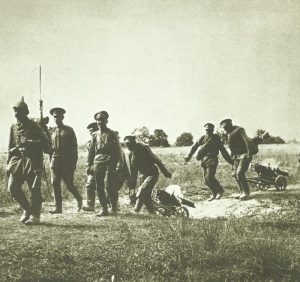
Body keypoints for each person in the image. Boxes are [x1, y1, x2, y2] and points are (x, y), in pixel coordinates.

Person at [7, 97, 49, 225]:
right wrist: (8, 163)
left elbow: (45, 142)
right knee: (13, 188)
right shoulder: (13, 127)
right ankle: (28, 209)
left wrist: (30, 143)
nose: (16, 114)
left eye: (19, 111)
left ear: (25, 112)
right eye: (15, 111)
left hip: (32, 160)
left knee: (34, 189)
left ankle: (35, 215)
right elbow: (10, 146)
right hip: (17, 160)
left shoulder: (34, 126)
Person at [87, 111, 124, 216]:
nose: (100, 121)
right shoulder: (94, 135)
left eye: (102, 119)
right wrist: (89, 165)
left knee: (109, 186)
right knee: (99, 186)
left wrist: (120, 163)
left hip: (109, 161)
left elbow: (119, 149)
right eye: (98, 119)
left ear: (106, 120)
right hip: (97, 162)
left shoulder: (112, 134)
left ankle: (114, 208)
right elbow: (91, 151)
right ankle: (104, 209)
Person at [124, 135, 172, 214]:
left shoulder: (143, 148)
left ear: (134, 143)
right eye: (127, 145)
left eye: (130, 144)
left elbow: (156, 160)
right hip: (142, 175)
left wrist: (166, 172)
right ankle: (152, 214)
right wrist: (132, 183)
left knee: (142, 191)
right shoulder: (131, 154)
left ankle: (136, 211)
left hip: (152, 174)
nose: (128, 146)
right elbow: (133, 170)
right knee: (146, 197)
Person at [184, 123, 233, 201]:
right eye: (207, 130)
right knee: (206, 180)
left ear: (213, 130)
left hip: (212, 159)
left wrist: (230, 161)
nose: (208, 131)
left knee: (209, 177)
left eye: (210, 130)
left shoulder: (216, 138)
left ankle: (220, 191)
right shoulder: (202, 138)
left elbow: (223, 150)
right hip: (204, 160)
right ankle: (214, 193)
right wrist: (188, 156)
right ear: (205, 130)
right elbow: (194, 147)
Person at [49, 107, 82, 213]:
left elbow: (74, 148)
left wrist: (73, 163)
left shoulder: (69, 130)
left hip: (67, 161)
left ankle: (79, 200)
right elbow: (49, 147)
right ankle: (58, 207)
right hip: (55, 161)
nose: (57, 118)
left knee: (69, 184)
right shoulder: (51, 131)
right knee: (55, 183)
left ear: (62, 117)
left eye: (58, 116)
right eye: (55, 117)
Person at [219, 118, 253, 200]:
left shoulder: (239, 129)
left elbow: (247, 141)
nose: (224, 129)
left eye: (225, 127)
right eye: (223, 128)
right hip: (236, 157)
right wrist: (232, 160)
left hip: (244, 155)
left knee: (240, 173)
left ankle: (246, 192)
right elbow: (232, 147)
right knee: (235, 174)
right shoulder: (229, 133)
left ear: (230, 125)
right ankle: (241, 192)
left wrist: (250, 154)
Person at [82, 122, 99, 212]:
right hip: (93, 167)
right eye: (90, 131)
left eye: (93, 131)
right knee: (89, 185)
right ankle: (90, 205)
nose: (92, 133)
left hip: (104, 165)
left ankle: (113, 205)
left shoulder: (104, 140)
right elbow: (89, 156)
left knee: (107, 186)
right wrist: (88, 166)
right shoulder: (89, 143)